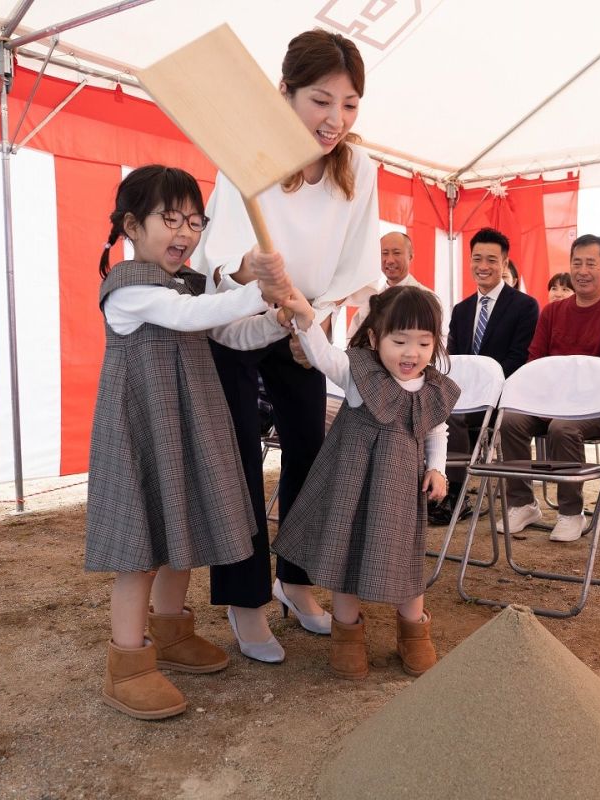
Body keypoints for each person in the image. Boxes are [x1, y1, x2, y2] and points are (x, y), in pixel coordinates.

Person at [191, 29, 381, 654]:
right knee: (241, 453)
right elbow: (217, 261)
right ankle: (244, 599)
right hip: (236, 320)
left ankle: (295, 581)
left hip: (300, 321)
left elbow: (353, 265)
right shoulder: (244, 156)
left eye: (350, 104)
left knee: (311, 445)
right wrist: (248, 268)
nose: (336, 119)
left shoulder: (359, 168)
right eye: (321, 101)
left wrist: (311, 320)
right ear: (285, 93)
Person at [87, 165, 285, 720]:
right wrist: (255, 287)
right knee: (142, 546)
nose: (185, 233)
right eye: (169, 219)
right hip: (143, 431)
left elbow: (230, 332)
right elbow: (191, 315)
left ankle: (171, 636)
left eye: (194, 222)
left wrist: (278, 322)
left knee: (182, 529)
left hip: (187, 424)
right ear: (132, 224)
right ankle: (127, 664)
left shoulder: (191, 283)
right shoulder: (127, 288)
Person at [272, 285, 460, 679]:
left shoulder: (432, 388)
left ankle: (413, 634)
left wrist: (437, 468)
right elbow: (323, 356)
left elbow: (436, 431)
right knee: (347, 559)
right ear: (375, 338)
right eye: (400, 341)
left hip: (400, 494)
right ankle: (347, 638)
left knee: (406, 560)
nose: (411, 353)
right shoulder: (360, 374)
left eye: (424, 343)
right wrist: (307, 317)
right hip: (352, 492)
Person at [497, 233, 600, 542]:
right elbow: (535, 362)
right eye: (577, 263)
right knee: (508, 421)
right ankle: (522, 503)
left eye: (591, 263)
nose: (582, 271)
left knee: (563, 427)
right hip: (549, 403)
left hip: (597, 407)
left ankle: (571, 512)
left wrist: (567, 396)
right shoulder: (552, 312)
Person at [429, 227, 538, 524]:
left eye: (492, 259)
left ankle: (454, 495)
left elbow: (519, 358)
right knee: (431, 407)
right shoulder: (462, 309)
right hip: (462, 394)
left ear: (504, 263)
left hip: (500, 396)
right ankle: (427, 488)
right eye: (477, 259)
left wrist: (484, 389)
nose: (483, 266)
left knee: (454, 416)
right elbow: (454, 358)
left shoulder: (525, 306)